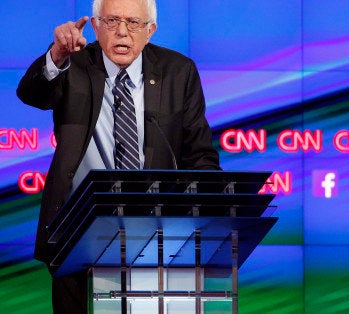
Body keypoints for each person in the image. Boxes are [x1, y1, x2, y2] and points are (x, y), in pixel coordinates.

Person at [16, 0, 221, 312]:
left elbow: (199, 154)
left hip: (155, 232)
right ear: (96, 26)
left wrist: (209, 209)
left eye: (133, 23)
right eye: (111, 21)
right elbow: (31, 94)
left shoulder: (178, 72)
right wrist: (56, 55)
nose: (122, 32)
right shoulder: (74, 63)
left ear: (150, 31)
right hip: (77, 230)